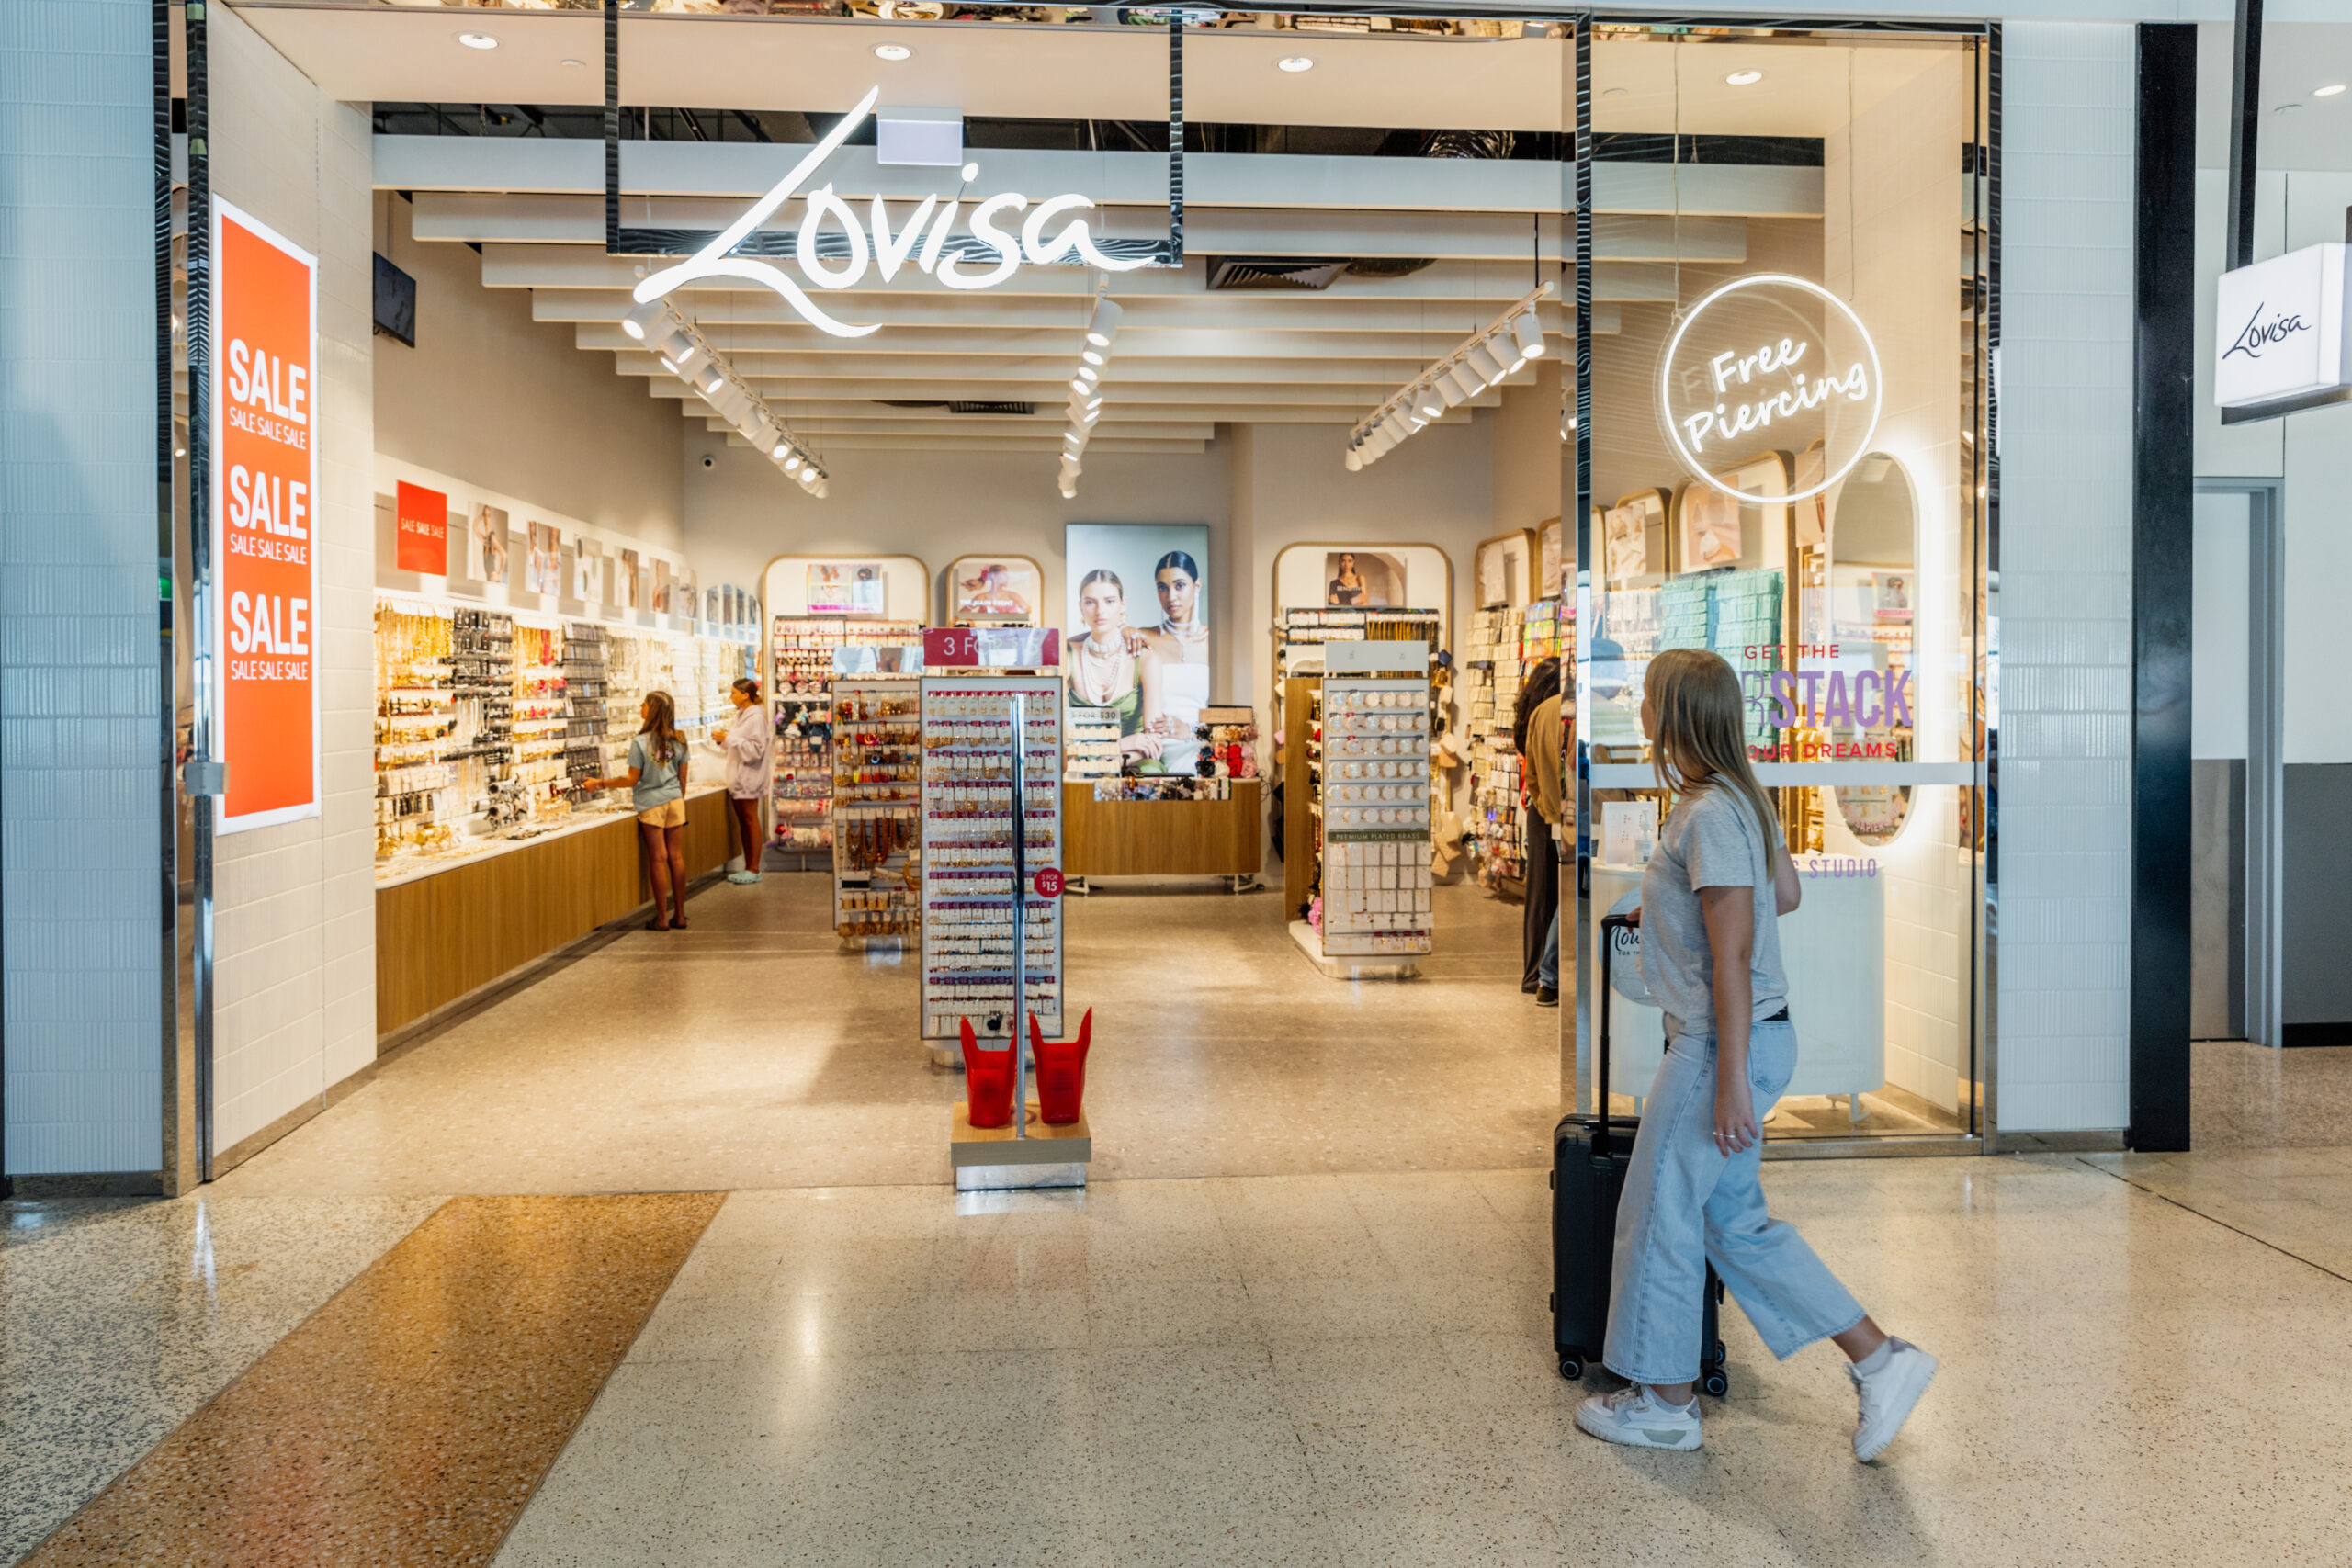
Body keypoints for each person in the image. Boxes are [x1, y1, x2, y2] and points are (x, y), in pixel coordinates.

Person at [1575, 648, 1936, 1460]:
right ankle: (1882, 1358)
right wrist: (1668, 903)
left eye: (1650, 698)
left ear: (1675, 716)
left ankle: (1664, 1404)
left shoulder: (1707, 812)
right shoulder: (1740, 796)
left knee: (1659, 1213)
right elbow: (1786, 894)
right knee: (1734, 1223)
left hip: (1715, 1047)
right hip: (1745, 1037)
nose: (1640, 709)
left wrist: (1729, 1082)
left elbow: (1732, 957)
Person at [582, 690, 693, 931]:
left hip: (651, 803)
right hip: (675, 801)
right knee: (676, 857)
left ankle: (662, 918)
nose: (640, 707)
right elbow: (683, 779)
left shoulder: (640, 743)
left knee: (658, 858)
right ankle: (681, 915)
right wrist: (676, 798)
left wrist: (599, 783)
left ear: (651, 710)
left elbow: (632, 779)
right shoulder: (680, 740)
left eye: (644, 704)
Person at [1067, 569, 1168, 765]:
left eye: (1109, 601)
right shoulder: (1068, 655)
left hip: (1135, 761)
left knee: (1150, 769)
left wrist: (1103, 761)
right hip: (1080, 762)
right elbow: (1062, 743)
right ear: (1080, 607)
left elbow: (1153, 744)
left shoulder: (1147, 659)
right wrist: (1122, 744)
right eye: (1090, 602)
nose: (1100, 611)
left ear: (1123, 604)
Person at [1512, 656, 1563, 996]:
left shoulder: (1531, 716)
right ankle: (1541, 973)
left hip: (1539, 807)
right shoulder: (1555, 715)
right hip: (1552, 809)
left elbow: (1530, 771)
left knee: (1538, 894)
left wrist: (1541, 804)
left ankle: (1534, 971)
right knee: (1554, 893)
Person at [1524, 680, 1564, 1006]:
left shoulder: (1541, 711)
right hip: (1598, 817)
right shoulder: (1606, 712)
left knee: (1557, 898)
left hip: (1550, 818)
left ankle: (1545, 978)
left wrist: (1548, 808)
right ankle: (1550, 976)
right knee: (1575, 899)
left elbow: (1531, 774)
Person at [710, 677, 770, 886]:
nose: (731, 697)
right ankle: (749, 866)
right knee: (744, 822)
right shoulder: (741, 716)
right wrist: (724, 741)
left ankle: (753, 868)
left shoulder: (755, 718)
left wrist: (729, 739)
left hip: (749, 778)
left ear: (746, 695)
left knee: (750, 820)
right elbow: (738, 744)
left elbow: (756, 750)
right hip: (739, 777)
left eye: (734, 693)